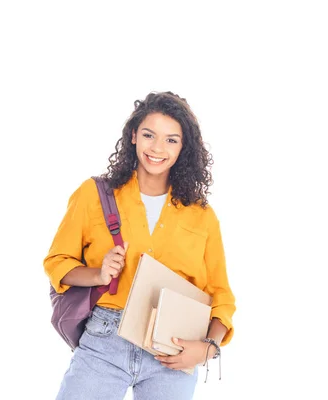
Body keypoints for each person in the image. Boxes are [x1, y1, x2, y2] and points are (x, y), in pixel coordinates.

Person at [43, 91, 236, 400]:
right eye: (149, 135)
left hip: (174, 346)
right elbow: (57, 262)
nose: (158, 148)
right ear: (133, 135)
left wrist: (206, 349)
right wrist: (98, 274)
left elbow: (221, 296)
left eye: (172, 140)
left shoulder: (202, 216)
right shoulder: (94, 194)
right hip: (106, 338)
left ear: (183, 147)